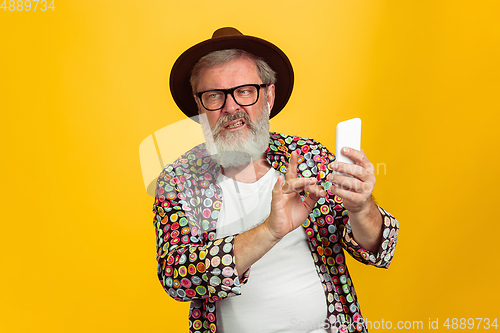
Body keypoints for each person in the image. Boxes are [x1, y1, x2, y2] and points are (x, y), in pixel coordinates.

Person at [152, 27, 399, 333]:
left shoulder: (309, 157)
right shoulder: (178, 181)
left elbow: (378, 250)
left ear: (268, 95)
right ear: (200, 107)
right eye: (214, 95)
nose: (231, 107)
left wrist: (362, 209)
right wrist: (269, 231)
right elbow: (177, 277)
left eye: (244, 91)